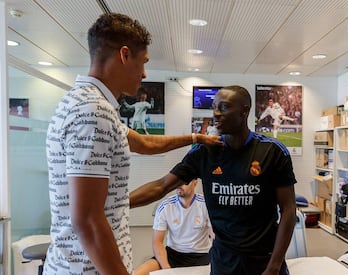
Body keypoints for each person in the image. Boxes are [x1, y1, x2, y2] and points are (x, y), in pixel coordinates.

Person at [43, 13, 222, 275]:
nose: (145, 73)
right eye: (143, 62)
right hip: (86, 268)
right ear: (125, 55)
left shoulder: (84, 103)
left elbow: (144, 142)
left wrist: (195, 138)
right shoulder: (94, 112)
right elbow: (88, 220)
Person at [130, 85, 297, 275]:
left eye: (224, 107)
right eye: (214, 107)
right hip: (223, 261)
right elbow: (161, 186)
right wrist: (118, 204)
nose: (216, 113)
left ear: (244, 111)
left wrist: (274, 266)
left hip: (264, 261)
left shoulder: (273, 151)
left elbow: (289, 209)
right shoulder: (204, 152)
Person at [134, 178, 213, 275]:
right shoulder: (165, 206)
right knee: (137, 273)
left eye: (185, 181)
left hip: (200, 256)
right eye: (178, 182)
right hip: (172, 254)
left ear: (195, 183)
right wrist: (167, 270)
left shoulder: (206, 205)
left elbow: (216, 237)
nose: (180, 185)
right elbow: (157, 242)